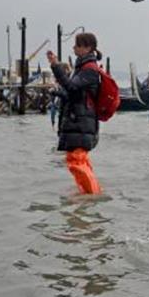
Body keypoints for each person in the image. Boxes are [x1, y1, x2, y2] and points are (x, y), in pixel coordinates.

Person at [48, 33, 102, 194]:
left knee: (76, 161)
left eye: (77, 45)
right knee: (79, 161)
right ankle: (86, 194)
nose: (74, 48)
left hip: (81, 122)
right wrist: (57, 93)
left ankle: (92, 195)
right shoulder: (82, 68)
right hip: (78, 121)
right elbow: (74, 94)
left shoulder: (90, 70)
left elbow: (71, 87)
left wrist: (56, 66)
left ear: (87, 48)